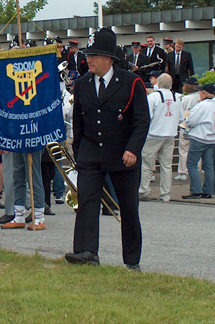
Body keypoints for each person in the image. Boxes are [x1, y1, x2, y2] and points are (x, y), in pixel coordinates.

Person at [64, 28, 150, 270]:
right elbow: (79, 122)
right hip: (91, 153)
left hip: (124, 155)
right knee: (87, 202)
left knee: (129, 208)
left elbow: (142, 120)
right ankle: (86, 252)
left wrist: (133, 149)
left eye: (94, 55)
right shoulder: (82, 84)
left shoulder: (132, 82)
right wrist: (79, 153)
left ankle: (132, 260)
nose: (88, 59)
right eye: (88, 55)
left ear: (109, 59)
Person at [139, 73, 181, 202]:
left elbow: (147, 116)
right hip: (170, 134)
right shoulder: (176, 97)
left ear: (158, 83)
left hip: (154, 134)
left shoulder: (153, 97)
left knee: (146, 163)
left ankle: (143, 191)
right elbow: (180, 118)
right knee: (166, 165)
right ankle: (165, 193)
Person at [182, 83, 215, 199]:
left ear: (204, 93)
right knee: (208, 165)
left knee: (192, 163)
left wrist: (187, 123)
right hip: (212, 138)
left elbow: (191, 121)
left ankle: (196, 190)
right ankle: (209, 190)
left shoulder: (201, 106)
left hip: (199, 137)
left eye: (200, 92)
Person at [176, 77, 201, 181]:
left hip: (186, 125)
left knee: (184, 149)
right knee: (197, 150)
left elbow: (180, 112)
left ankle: (183, 171)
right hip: (199, 126)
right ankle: (197, 170)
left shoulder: (185, 99)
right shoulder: (201, 96)